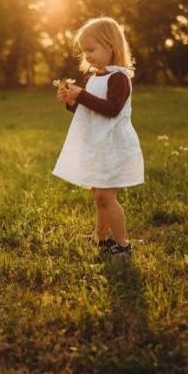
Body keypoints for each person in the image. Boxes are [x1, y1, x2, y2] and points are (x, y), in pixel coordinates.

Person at [52, 16, 144, 258]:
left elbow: (111, 109)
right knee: (99, 196)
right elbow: (90, 110)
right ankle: (101, 238)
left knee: (105, 196)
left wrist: (81, 95)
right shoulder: (94, 77)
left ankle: (122, 244)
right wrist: (72, 102)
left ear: (111, 45)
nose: (88, 55)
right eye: (85, 51)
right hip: (97, 144)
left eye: (92, 49)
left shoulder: (119, 77)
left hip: (113, 146)